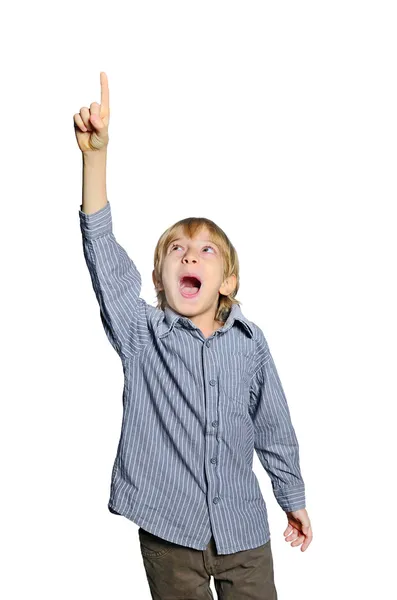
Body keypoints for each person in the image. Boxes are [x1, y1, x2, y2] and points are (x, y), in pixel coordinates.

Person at [74, 71, 313, 600]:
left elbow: (274, 425)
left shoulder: (250, 343)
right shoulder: (142, 334)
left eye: (206, 250)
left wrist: (291, 495)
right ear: (159, 278)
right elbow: (103, 254)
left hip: (243, 532)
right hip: (169, 531)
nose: (189, 253)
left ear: (227, 281)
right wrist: (95, 157)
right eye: (176, 248)